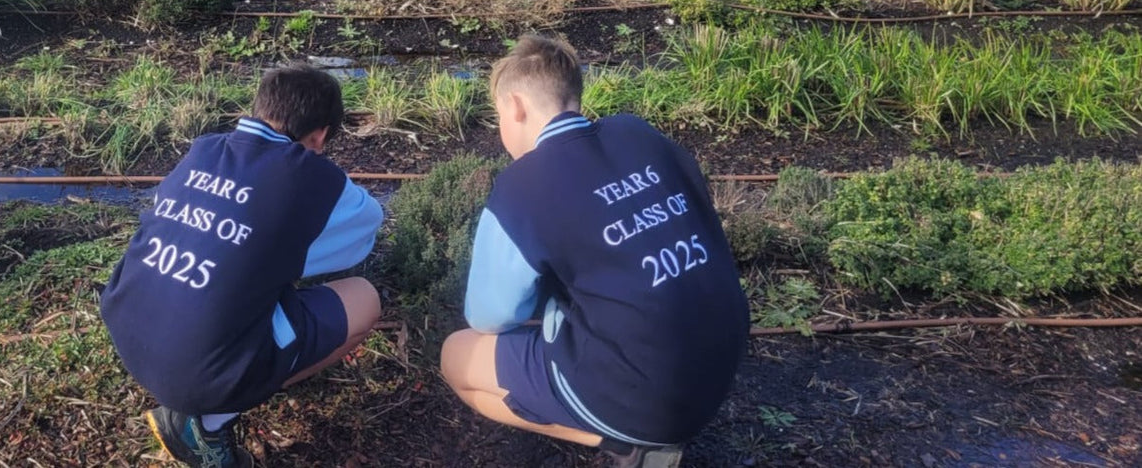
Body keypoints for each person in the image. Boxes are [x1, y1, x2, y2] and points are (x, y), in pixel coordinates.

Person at [441, 35, 749, 468]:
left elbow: (488, 316)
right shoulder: (639, 133)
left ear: (515, 105)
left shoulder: (522, 185)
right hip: (722, 362)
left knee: (457, 354)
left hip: (644, 397)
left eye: (498, 117)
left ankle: (632, 446)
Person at [101, 64, 384, 468]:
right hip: (191, 371)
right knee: (364, 298)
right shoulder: (312, 175)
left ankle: (215, 388)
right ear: (319, 135)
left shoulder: (203, 148)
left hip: (129, 334)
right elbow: (366, 228)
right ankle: (207, 423)